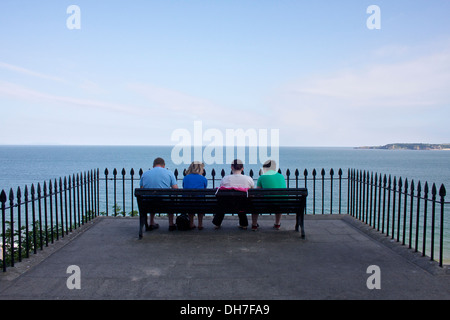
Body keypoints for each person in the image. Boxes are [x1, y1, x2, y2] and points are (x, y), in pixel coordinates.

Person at [212, 159, 254, 229]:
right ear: (242, 168)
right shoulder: (248, 179)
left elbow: (221, 192)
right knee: (242, 201)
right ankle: (243, 224)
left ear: (232, 167)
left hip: (226, 205)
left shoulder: (225, 179)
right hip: (243, 205)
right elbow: (252, 192)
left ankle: (217, 223)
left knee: (223, 201)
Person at [140, 157, 178, 231]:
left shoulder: (145, 174)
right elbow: (175, 189)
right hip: (165, 203)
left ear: (153, 165)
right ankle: (171, 224)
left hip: (148, 204)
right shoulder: (169, 173)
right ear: (163, 165)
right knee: (171, 200)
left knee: (150, 197)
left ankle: (151, 222)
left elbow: (141, 189)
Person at [255, 159, 287, 230]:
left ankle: (254, 224)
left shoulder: (262, 177)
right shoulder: (281, 176)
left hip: (266, 205)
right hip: (283, 204)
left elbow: (257, 193)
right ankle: (277, 224)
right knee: (279, 199)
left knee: (255, 202)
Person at [182, 161, 208, 230]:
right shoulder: (203, 179)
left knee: (190, 202)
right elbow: (204, 189)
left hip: (188, 203)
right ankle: (200, 224)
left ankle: (191, 223)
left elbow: (184, 187)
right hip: (200, 203)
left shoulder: (186, 178)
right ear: (200, 169)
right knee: (200, 201)